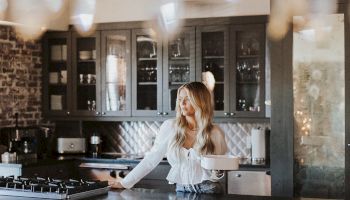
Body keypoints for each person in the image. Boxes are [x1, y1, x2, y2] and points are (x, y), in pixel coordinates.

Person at [111, 82, 228, 193]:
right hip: (181, 189)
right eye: (180, 99)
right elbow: (151, 159)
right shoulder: (170, 127)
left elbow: (218, 170)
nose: (182, 104)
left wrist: (218, 172)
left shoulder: (215, 132)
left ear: (200, 101)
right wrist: (124, 183)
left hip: (210, 189)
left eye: (187, 99)